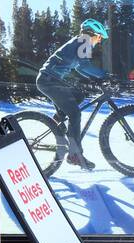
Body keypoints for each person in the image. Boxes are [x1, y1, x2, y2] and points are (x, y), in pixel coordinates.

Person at [37, 18, 109, 170]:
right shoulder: (84, 40)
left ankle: (58, 120)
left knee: (79, 94)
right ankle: (75, 155)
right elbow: (84, 66)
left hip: (52, 79)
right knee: (75, 114)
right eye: (100, 37)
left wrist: (96, 77)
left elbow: (80, 69)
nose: (99, 41)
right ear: (93, 34)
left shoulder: (80, 41)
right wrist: (103, 75)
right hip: (49, 81)